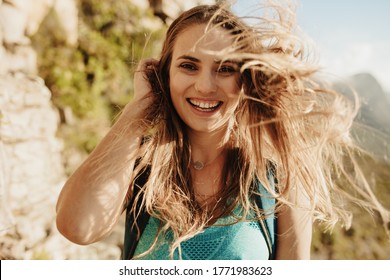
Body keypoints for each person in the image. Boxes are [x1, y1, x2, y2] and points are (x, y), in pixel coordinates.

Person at [55, 2, 389, 260]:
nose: (205, 85)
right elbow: (78, 228)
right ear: (164, 75)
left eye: (225, 68)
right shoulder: (141, 163)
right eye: (188, 65)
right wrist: (137, 114)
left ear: (245, 79)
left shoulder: (277, 177)